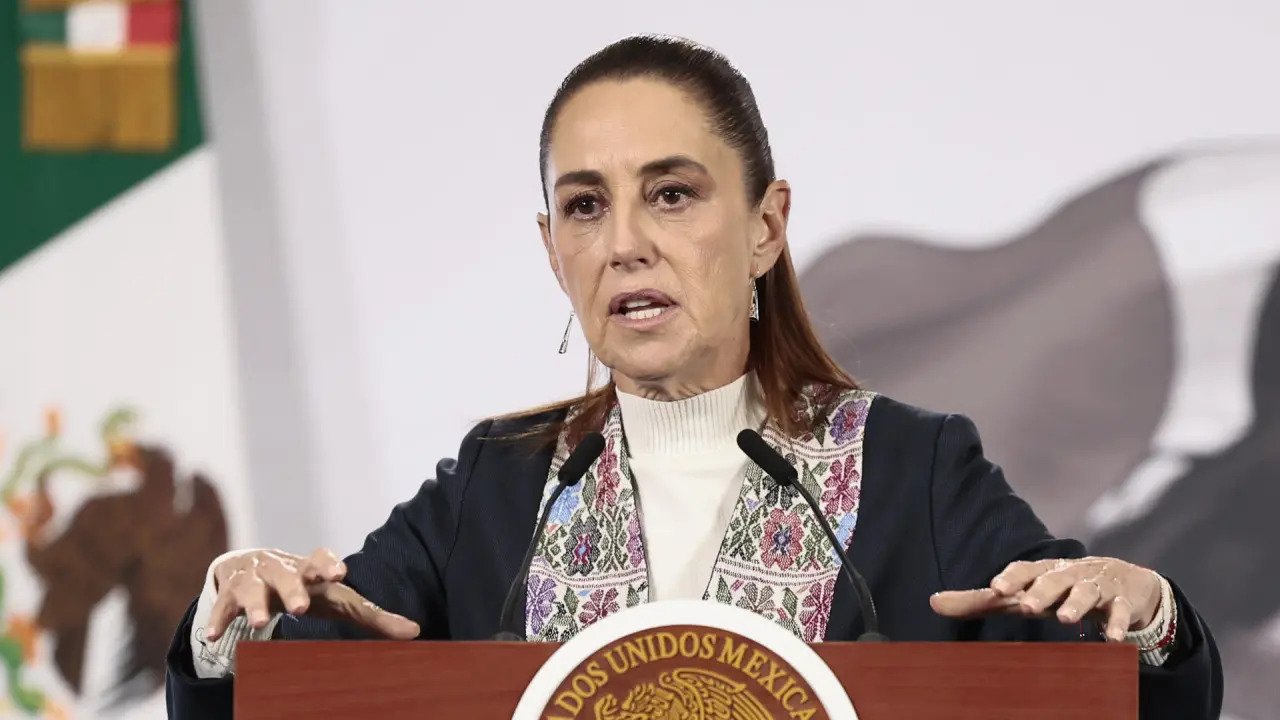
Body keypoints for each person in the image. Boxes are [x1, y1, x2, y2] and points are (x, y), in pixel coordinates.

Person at [164, 35, 1222, 719]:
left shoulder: (913, 470)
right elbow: (278, 691)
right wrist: (232, 621)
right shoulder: (499, 484)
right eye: (585, 206)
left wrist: (1150, 619)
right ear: (552, 250)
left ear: (765, 226)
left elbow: (1126, 693)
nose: (625, 242)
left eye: (670, 194)